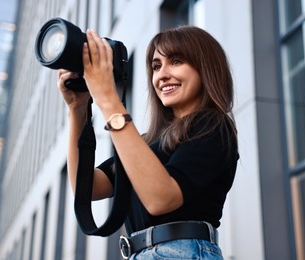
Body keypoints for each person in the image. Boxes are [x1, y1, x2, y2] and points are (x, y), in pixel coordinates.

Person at [57, 25, 239, 259]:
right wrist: (77, 108)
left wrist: (107, 98)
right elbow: (89, 186)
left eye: (176, 61)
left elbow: (161, 199)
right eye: (156, 66)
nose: (162, 75)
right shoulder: (146, 143)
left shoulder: (214, 126)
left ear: (205, 68)